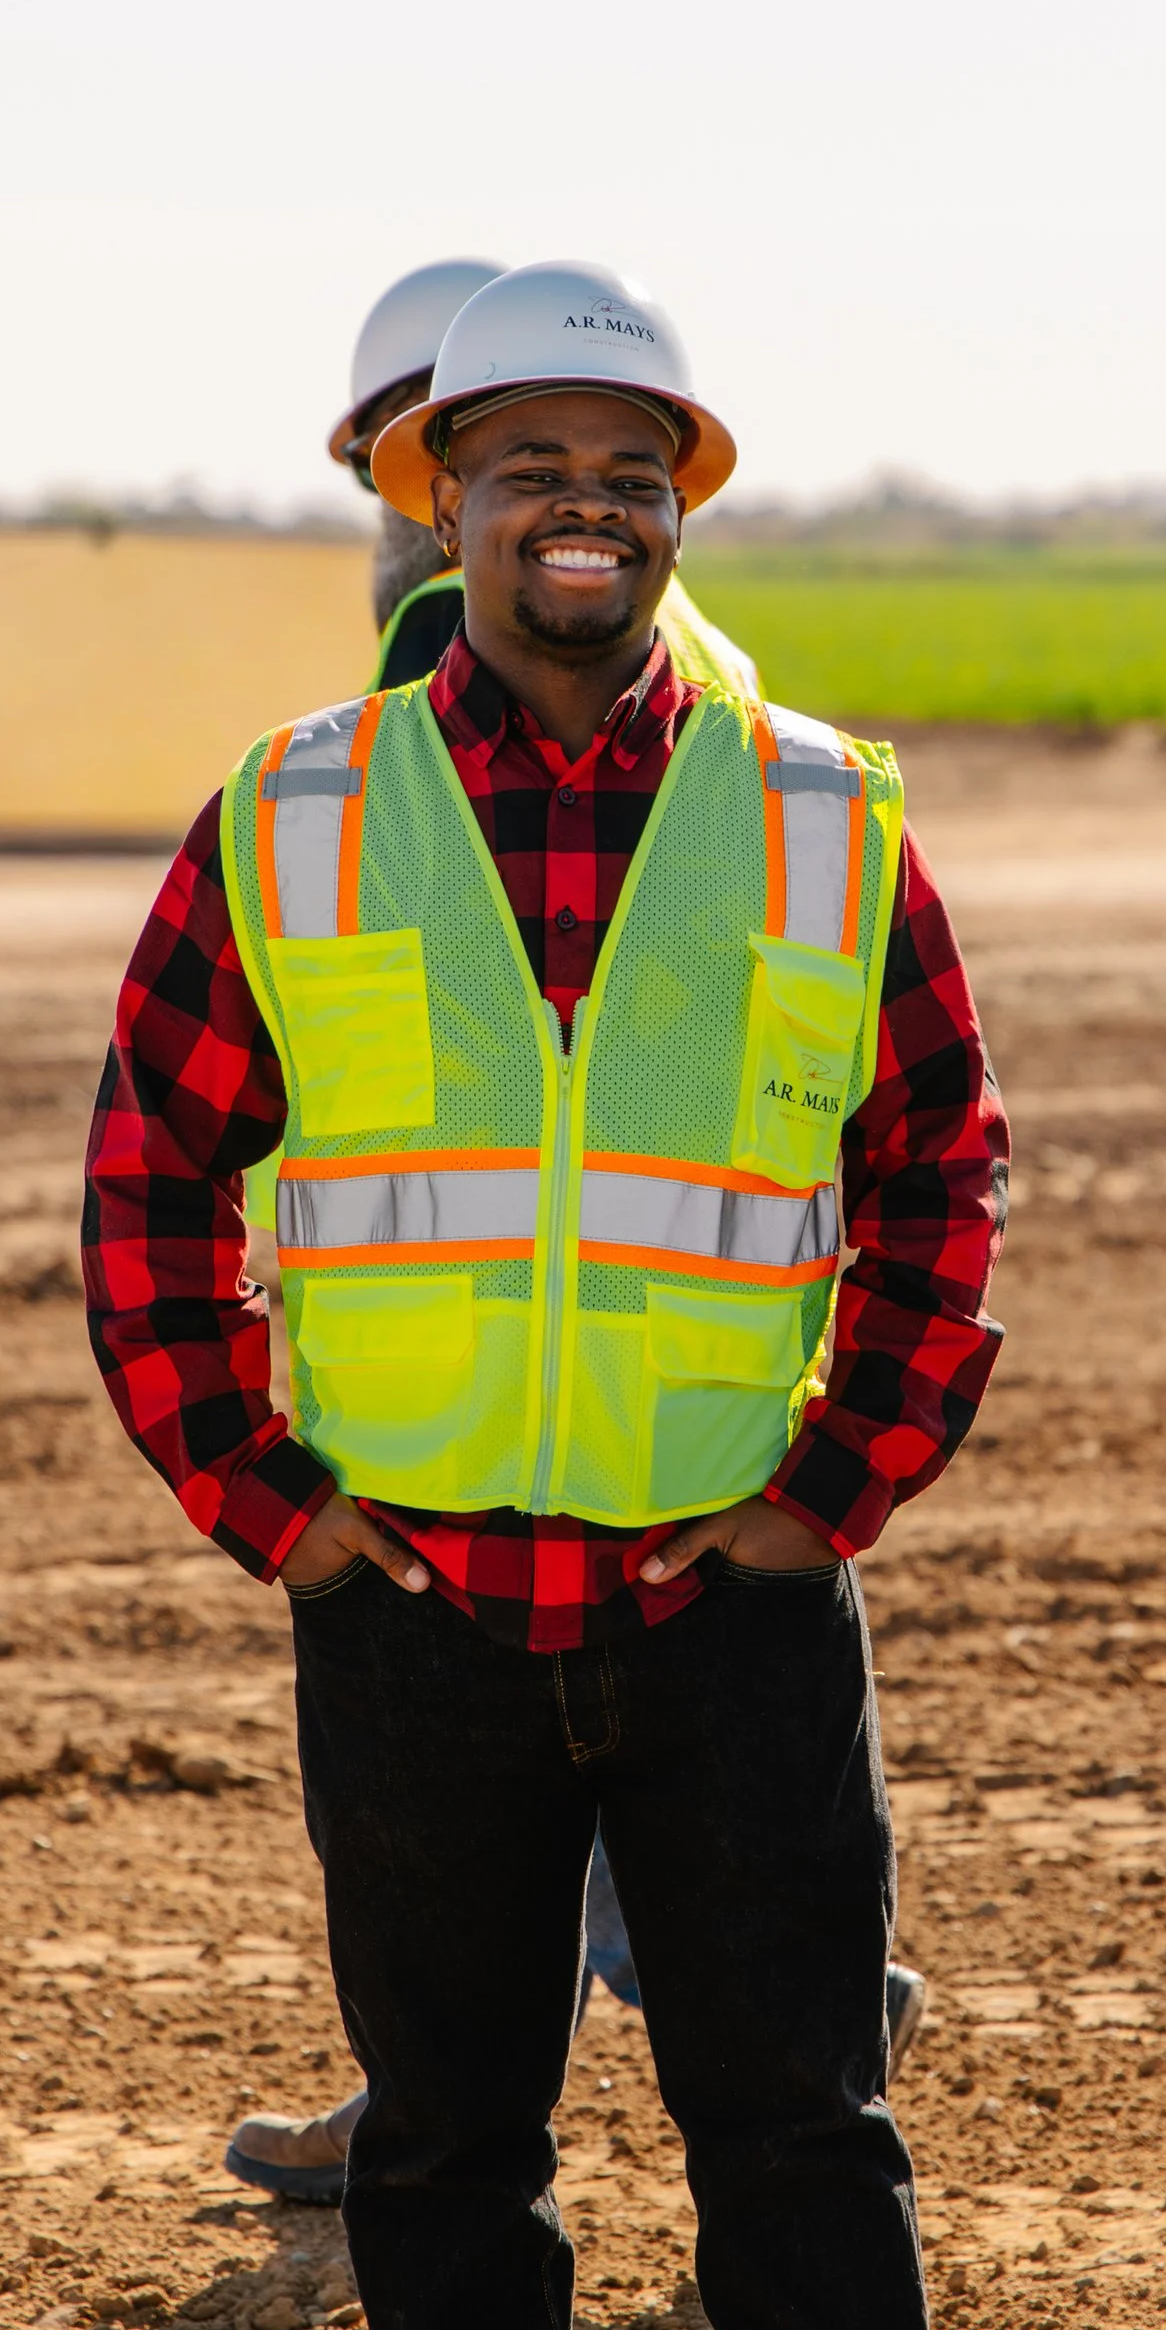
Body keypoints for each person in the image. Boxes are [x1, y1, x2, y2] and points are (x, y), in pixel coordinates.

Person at [84, 261, 1111, 2330]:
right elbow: (145, 1181)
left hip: (723, 1611)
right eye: (531, 463)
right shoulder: (297, 811)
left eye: (635, 470)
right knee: (444, 2154)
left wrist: (821, 1500)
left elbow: (939, 1176)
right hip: (416, 1615)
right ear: (439, 495)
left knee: (801, 2142)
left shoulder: (818, 812)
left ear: (684, 511)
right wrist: (272, 1512)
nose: (588, 509)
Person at [225, 261, 924, 2208]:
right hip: (672, 1364)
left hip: (504, 1359)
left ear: (397, 454)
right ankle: (718, 2020)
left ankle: (519, 2074)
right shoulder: (652, 608)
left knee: (530, 1761)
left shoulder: (438, 627)